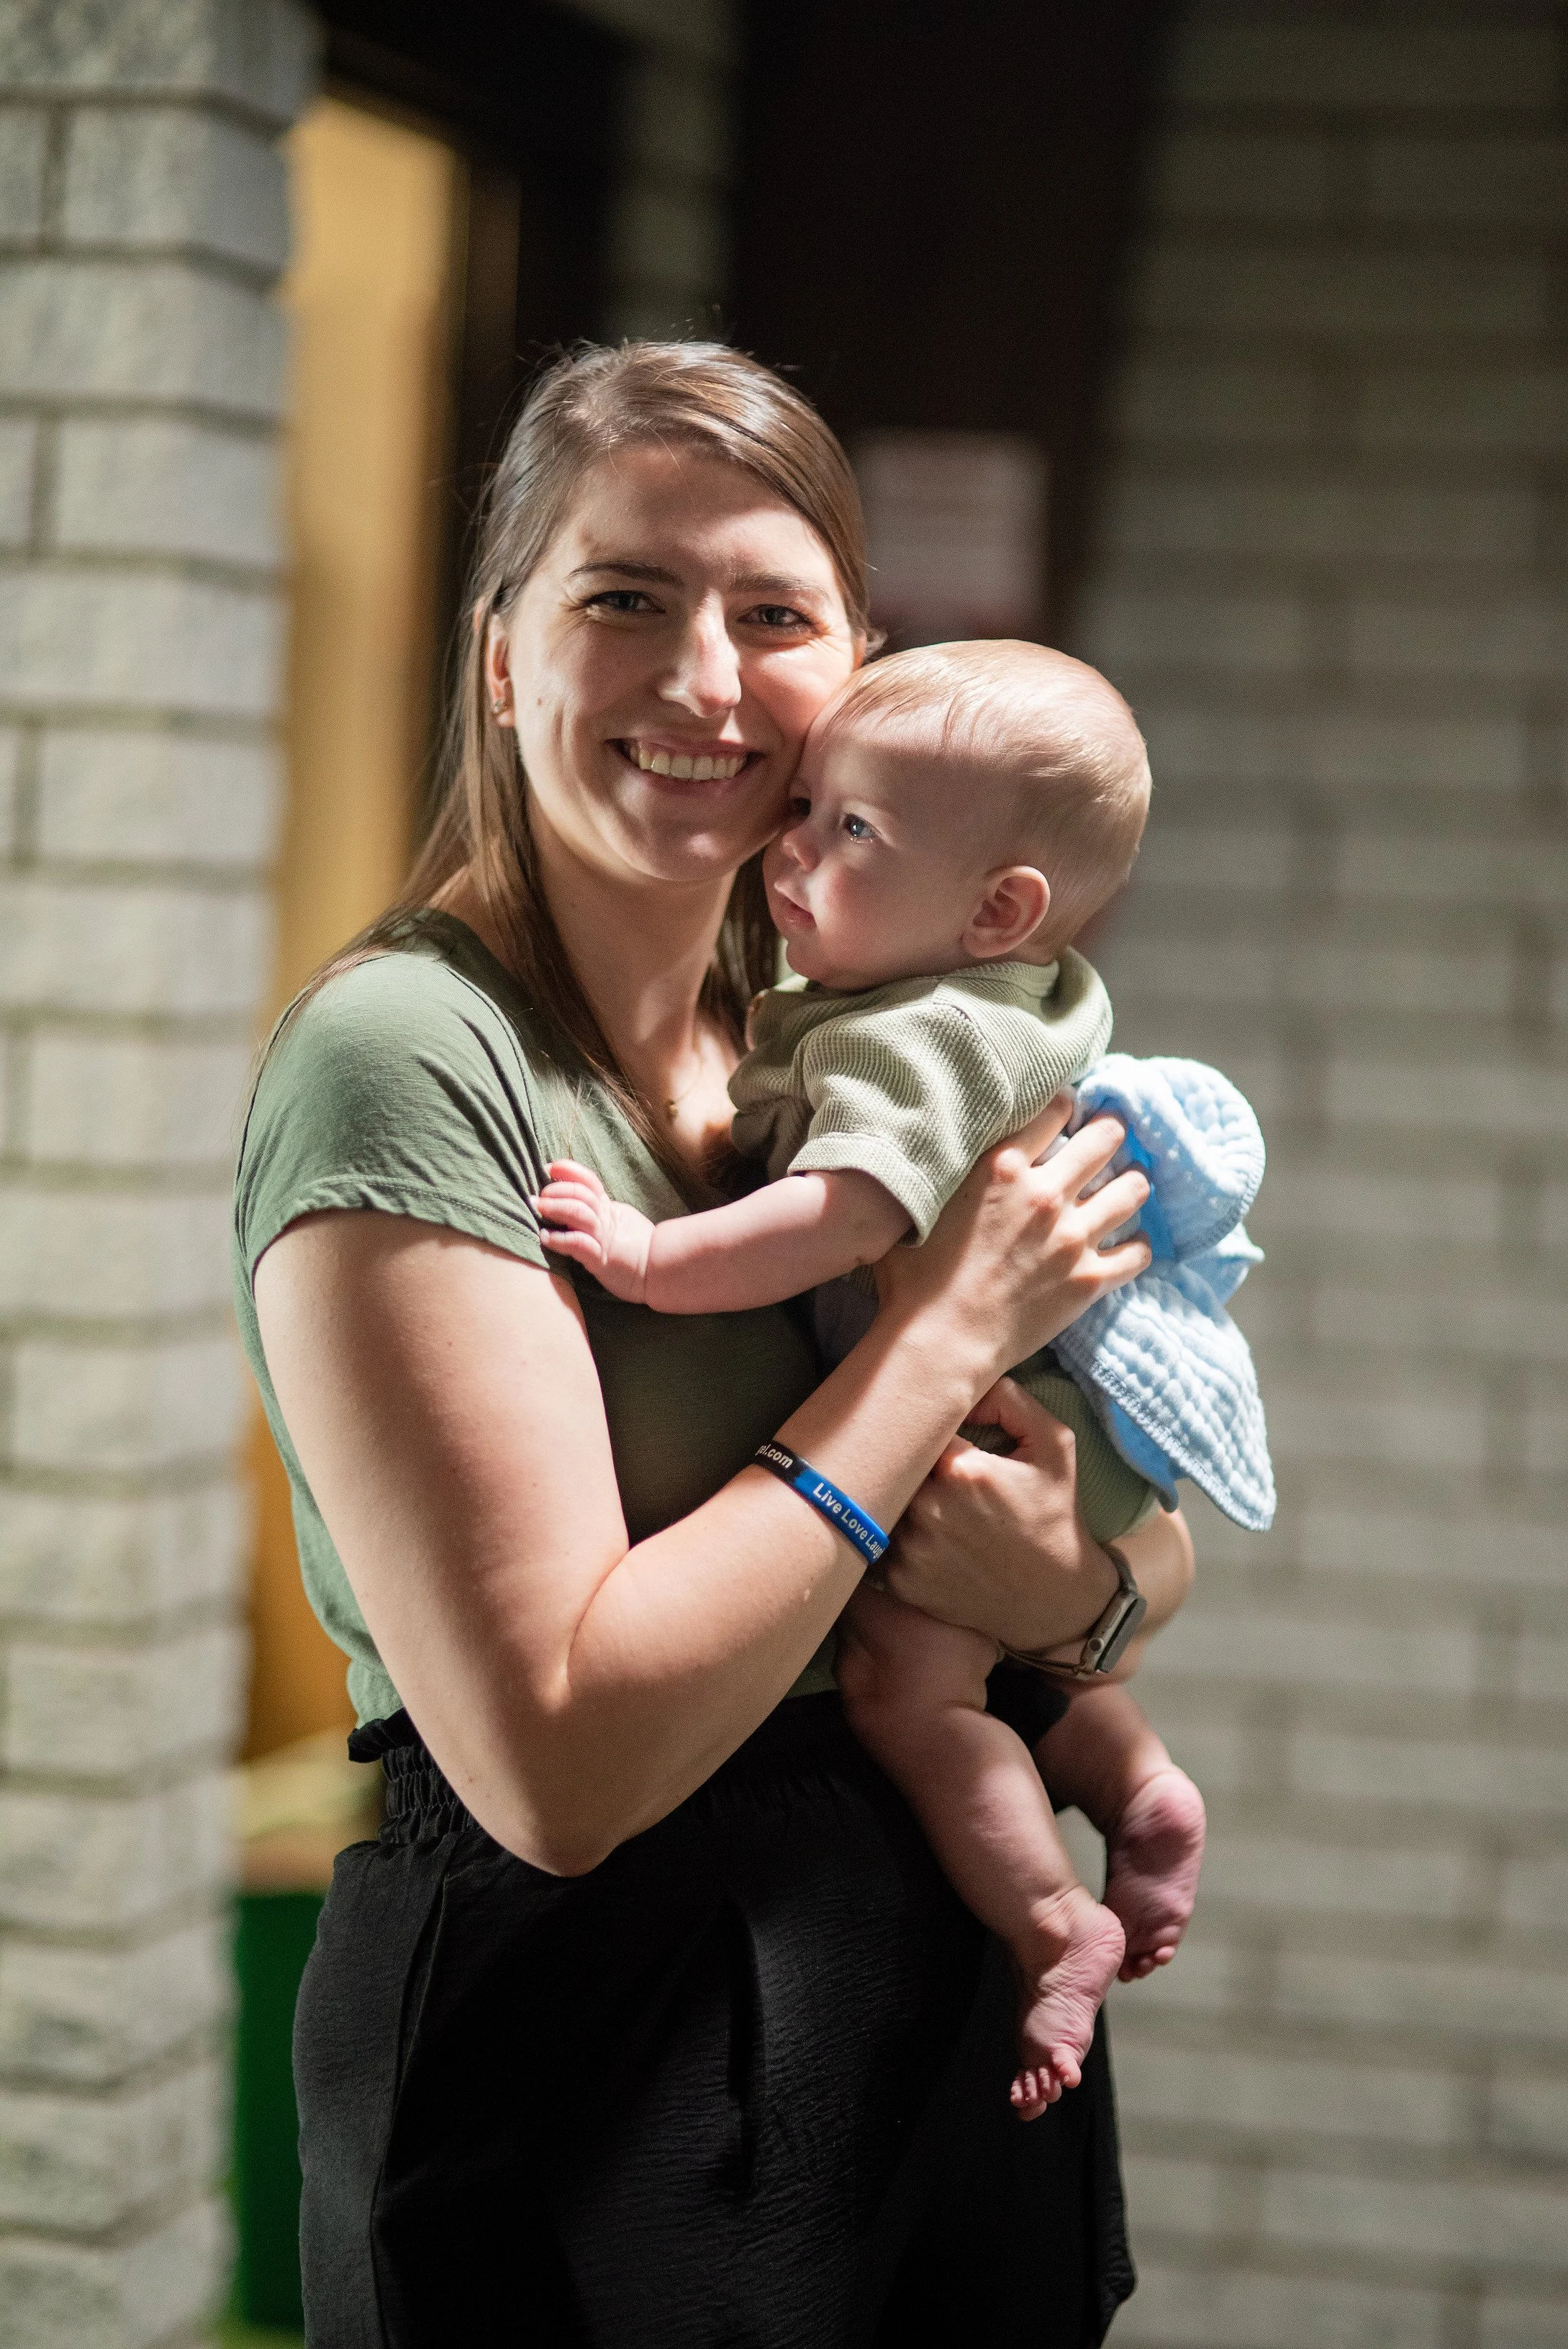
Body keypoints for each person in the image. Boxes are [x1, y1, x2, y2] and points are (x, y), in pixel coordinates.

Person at [235, 342, 1195, 2348]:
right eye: (623, 600)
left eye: (771, 615)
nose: (701, 681)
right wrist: (934, 1347)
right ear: (500, 656)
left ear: (851, 658)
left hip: (902, 2000)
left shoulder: (839, 1021)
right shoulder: (413, 1060)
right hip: (586, 2039)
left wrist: (1074, 1601)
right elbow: (561, 1766)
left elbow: (1128, 1482)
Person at [536, 639, 1211, 2121]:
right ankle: (1139, 1782)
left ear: (997, 910)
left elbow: (839, 1215)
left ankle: (1052, 1923)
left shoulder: (916, 1040)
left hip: (990, 1420)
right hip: (1058, 1428)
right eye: (811, 807)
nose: (793, 849)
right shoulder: (1013, 994)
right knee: (1000, 1653)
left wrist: (652, 1257)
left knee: (915, 1682)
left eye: (850, 832)